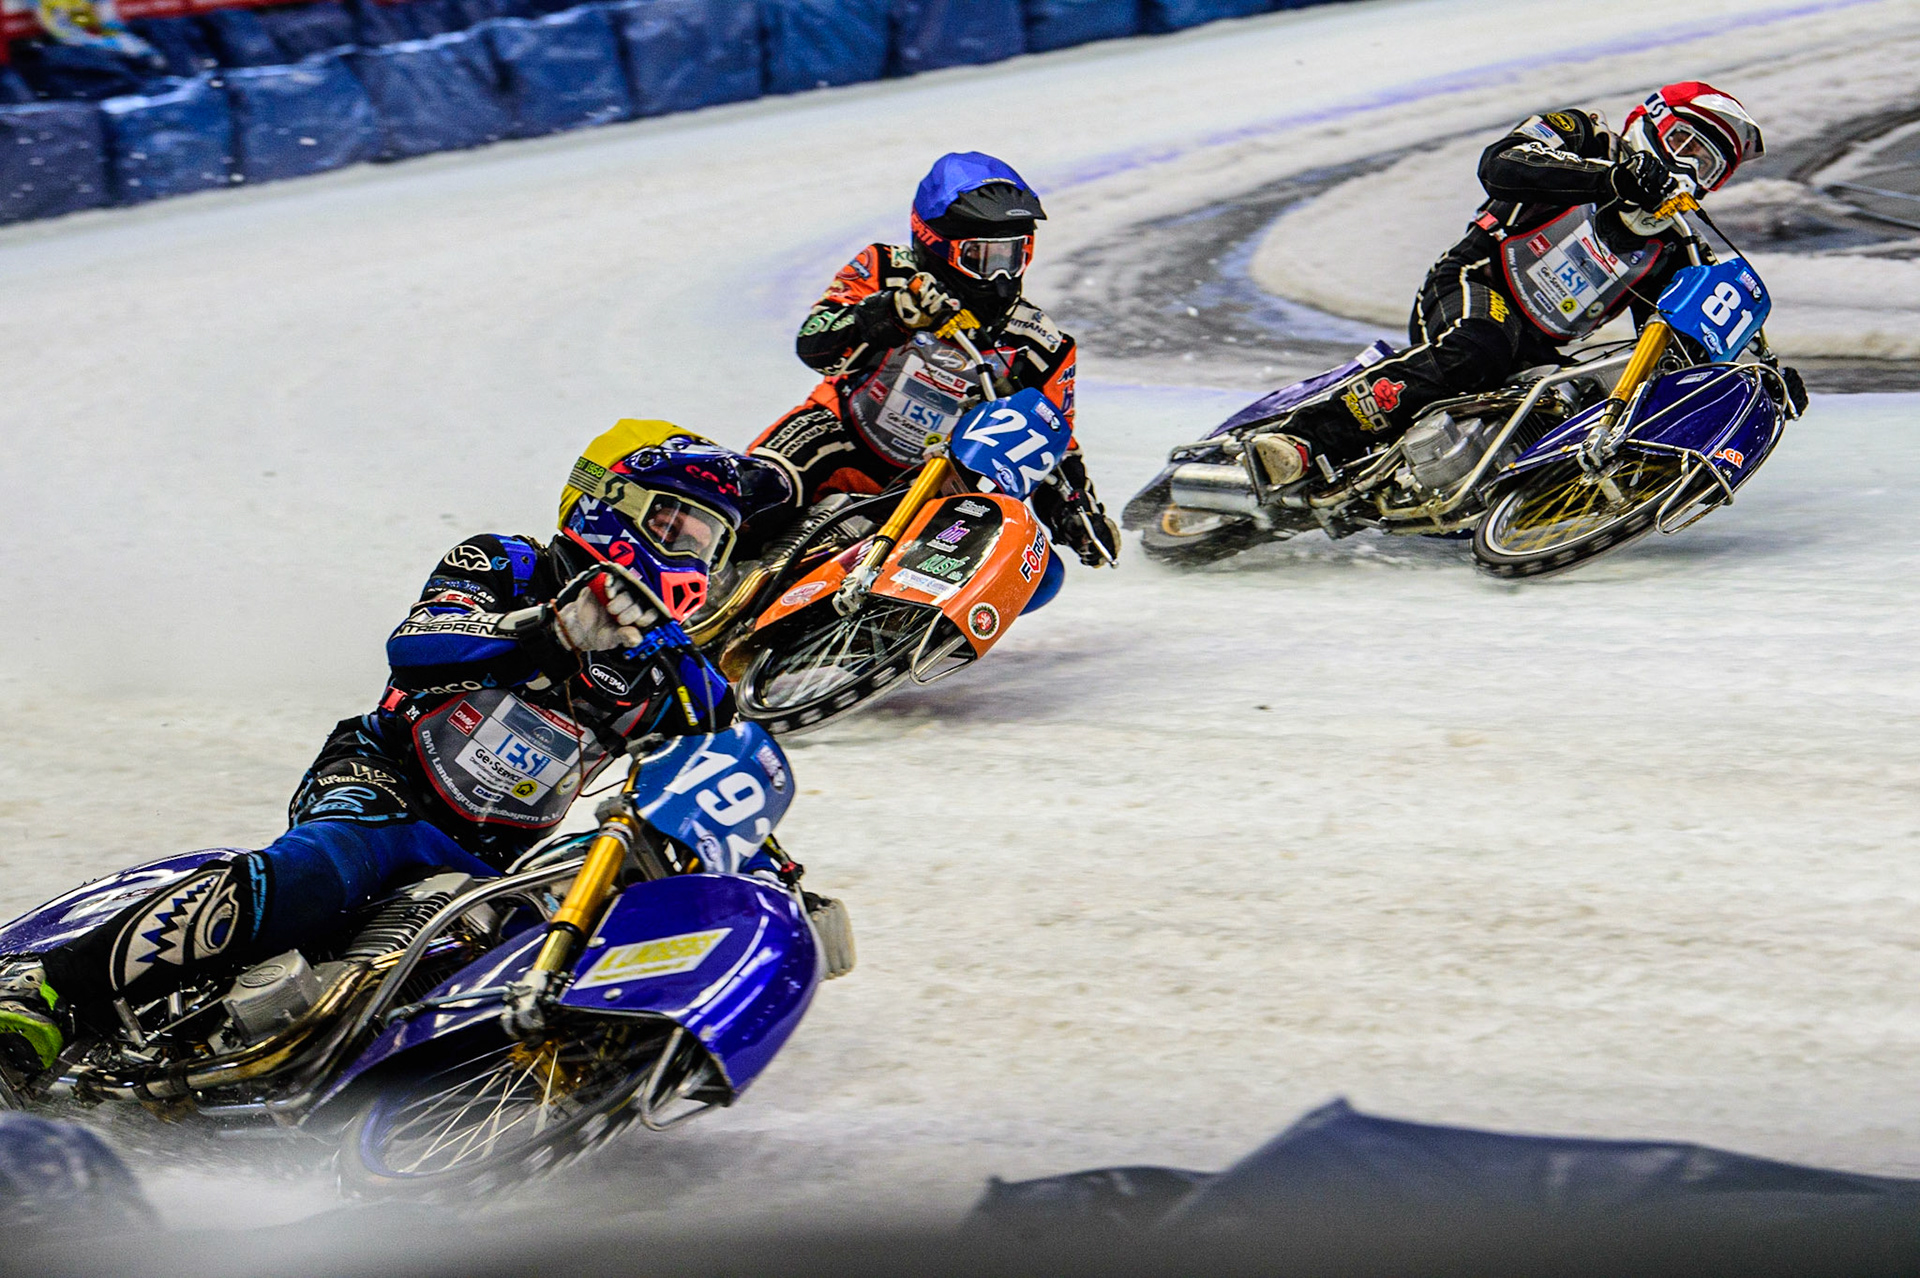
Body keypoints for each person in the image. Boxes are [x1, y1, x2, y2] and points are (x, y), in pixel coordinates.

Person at [0, 421, 794, 1076]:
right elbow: (416, 644)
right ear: (609, 503)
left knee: (528, 941)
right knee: (320, 870)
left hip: (494, 855)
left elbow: (712, 762)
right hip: (383, 780)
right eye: (676, 527)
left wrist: (764, 858)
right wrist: (542, 633)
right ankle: (47, 993)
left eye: (710, 542)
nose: (692, 557)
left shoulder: (674, 670)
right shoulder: (508, 563)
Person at [1246, 82, 1801, 488]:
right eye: (1685, 145)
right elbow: (1501, 164)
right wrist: (1609, 178)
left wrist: (1758, 381)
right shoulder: (1583, 134)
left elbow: (1678, 345)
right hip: (1474, 279)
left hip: (1540, 348)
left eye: (1708, 166)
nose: (1688, 168)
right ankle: (1305, 437)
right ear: (1651, 120)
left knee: (1585, 401)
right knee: (1479, 345)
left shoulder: (1673, 249)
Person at [744, 151, 1119, 586]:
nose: (1000, 276)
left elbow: (1053, 438)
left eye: (1013, 256)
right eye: (981, 257)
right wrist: (889, 314)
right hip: (838, 433)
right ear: (934, 244)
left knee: (1035, 575)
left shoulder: (1039, 342)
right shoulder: (885, 270)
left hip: (928, 482)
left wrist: (1075, 511)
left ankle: (884, 627)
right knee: (754, 492)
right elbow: (815, 342)